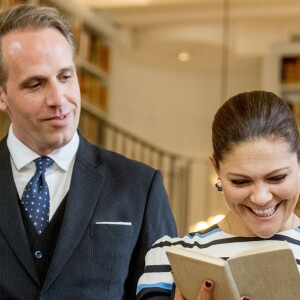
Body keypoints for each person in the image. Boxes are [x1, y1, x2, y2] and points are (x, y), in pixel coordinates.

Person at [0, 3, 177, 299]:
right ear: (2, 96)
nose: (59, 99)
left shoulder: (140, 187)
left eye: (66, 77)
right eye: (35, 84)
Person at [136, 90, 300, 300]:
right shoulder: (170, 258)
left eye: (276, 178)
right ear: (217, 168)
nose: (261, 197)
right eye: (240, 181)